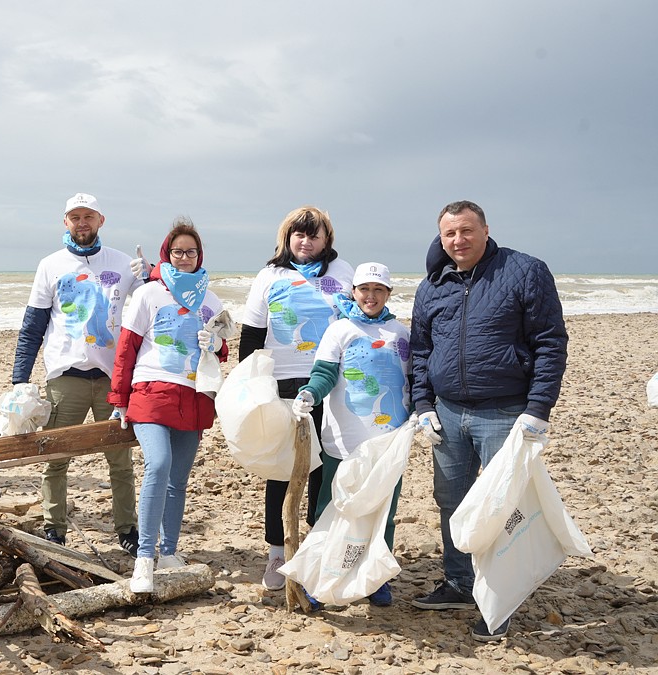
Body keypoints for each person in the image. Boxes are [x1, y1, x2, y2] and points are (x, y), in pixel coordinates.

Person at [409, 200, 567, 641]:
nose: (458, 240)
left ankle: (500, 598)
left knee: (503, 508)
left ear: (485, 230)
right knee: (452, 503)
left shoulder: (525, 271)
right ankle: (460, 583)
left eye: (466, 231)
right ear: (440, 238)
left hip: (504, 411)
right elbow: (421, 354)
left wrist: (538, 409)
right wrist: (423, 406)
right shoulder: (431, 286)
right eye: (449, 234)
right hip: (446, 412)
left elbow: (551, 343)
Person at [11, 193, 148, 555]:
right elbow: (33, 326)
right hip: (65, 378)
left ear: (101, 220)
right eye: (75, 217)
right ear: (65, 222)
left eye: (89, 216)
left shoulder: (122, 263)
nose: (82, 222)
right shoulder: (50, 265)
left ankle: (128, 530)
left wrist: (153, 273)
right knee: (55, 458)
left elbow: (156, 304)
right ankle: (54, 529)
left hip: (112, 380)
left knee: (120, 461)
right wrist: (19, 379)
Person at [238, 206, 353, 591]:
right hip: (283, 381)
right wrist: (253, 384)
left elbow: (358, 321)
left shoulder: (343, 274)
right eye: (299, 235)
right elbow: (253, 333)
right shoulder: (270, 276)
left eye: (314, 235)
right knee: (282, 468)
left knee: (325, 466)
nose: (306, 241)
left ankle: (316, 548)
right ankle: (276, 552)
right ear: (287, 238)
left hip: (332, 380)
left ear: (327, 240)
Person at [108, 218, 227, 593]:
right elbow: (126, 348)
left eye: (191, 252)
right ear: (168, 255)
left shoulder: (210, 299)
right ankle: (145, 558)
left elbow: (222, 350)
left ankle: (170, 552)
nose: (185, 257)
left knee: (178, 479)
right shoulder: (149, 293)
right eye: (178, 252)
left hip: (193, 395)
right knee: (158, 464)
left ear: (199, 255)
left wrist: (216, 345)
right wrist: (118, 398)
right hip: (150, 390)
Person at [291, 262, 410, 607]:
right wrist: (310, 393)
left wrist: (421, 412)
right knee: (331, 509)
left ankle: (375, 579)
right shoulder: (339, 330)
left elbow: (413, 382)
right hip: (342, 441)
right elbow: (324, 374)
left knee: (382, 511)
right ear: (353, 292)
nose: (370, 296)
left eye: (378, 290)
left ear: (388, 294)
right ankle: (319, 580)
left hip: (388, 441)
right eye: (364, 289)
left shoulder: (400, 333)